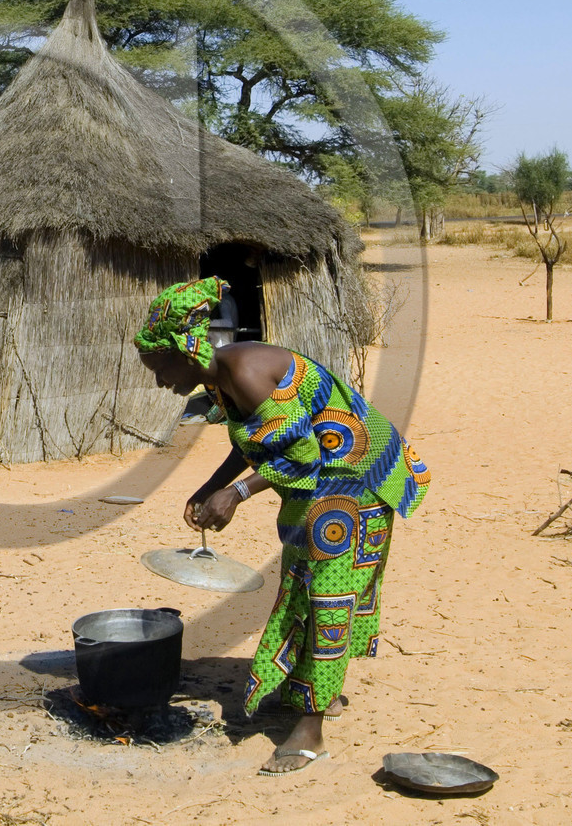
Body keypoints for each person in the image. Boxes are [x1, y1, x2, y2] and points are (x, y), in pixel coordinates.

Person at [133, 277, 430, 775]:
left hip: (354, 480)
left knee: (329, 595)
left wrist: (238, 493)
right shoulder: (220, 376)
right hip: (324, 479)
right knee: (304, 580)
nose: (160, 382)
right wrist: (209, 486)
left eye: (159, 369)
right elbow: (256, 439)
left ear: (184, 353)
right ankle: (318, 690)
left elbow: (302, 454)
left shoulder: (245, 370)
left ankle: (311, 729)